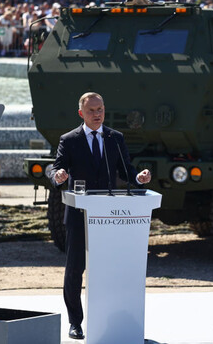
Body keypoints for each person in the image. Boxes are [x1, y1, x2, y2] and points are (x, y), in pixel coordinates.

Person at [49, 92, 151, 340]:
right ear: (81, 113)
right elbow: (55, 166)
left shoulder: (115, 138)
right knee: (75, 269)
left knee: (107, 268)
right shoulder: (69, 139)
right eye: (92, 110)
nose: (97, 114)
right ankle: (75, 322)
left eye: (101, 109)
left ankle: (107, 319)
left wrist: (139, 178)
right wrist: (58, 176)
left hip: (108, 215)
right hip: (79, 214)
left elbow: (126, 170)